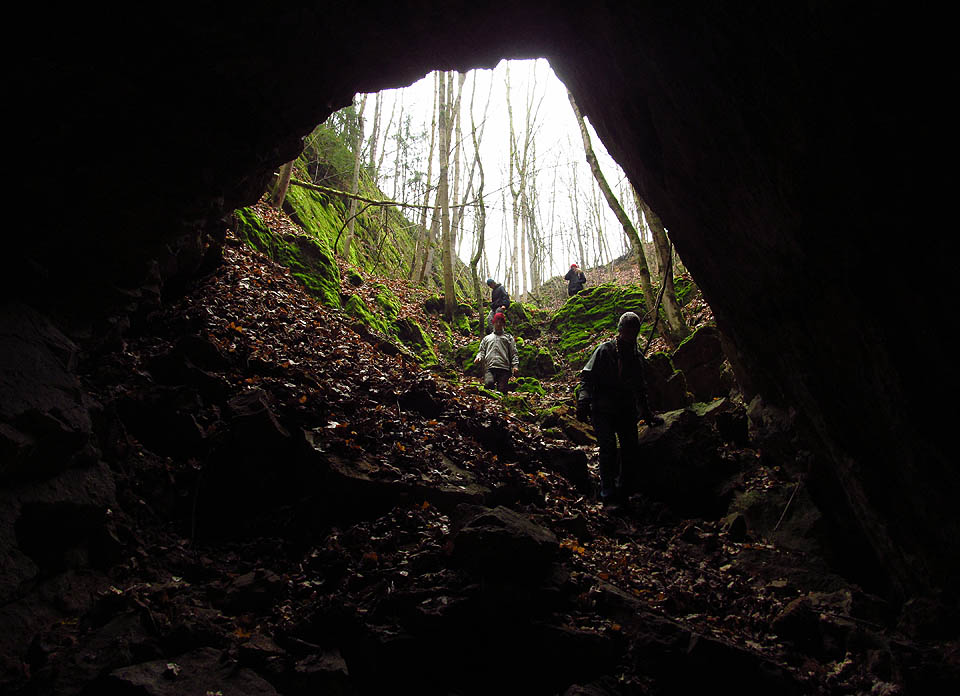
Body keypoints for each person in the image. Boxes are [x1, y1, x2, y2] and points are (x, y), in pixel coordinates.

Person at [577, 311, 663, 503]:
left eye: (632, 332)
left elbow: (640, 388)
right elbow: (587, 377)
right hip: (602, 408)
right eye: (626, 331)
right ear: (620, 330)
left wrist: (647, 415)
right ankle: (607, 492)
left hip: (625, 409)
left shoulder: (636, 356)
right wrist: (584, 400)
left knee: (629, 448)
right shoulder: (605, 350)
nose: (629, 336)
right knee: (607, 448)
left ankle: (625, 489)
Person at [474, 312, 519, 393]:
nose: (498, 324)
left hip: (504, 369)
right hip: (490, 367)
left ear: (504, 324)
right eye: (496, 322)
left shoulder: (508, 338)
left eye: (501, 322)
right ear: (493, 323)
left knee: (502, 391)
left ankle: (502, 404)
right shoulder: (487, 338)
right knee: (488, 384)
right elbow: (482, 351)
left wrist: (515, 366)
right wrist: (479, 357)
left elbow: (513, 353)